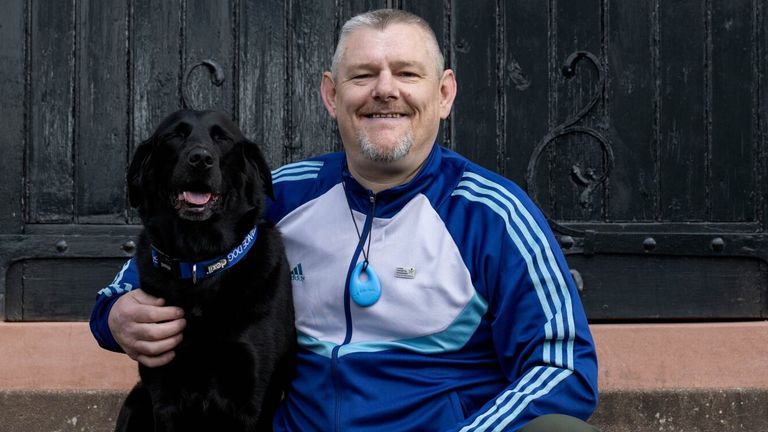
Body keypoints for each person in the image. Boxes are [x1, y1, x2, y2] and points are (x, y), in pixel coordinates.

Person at [91, 9, 599, 432]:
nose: (384, 90)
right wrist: (115, 315)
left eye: (406, 73)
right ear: (332, 96)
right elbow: (166, 255)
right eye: (363, 76)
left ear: (444, 94)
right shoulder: (281, 194)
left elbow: (562, 369)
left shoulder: (494, 214)